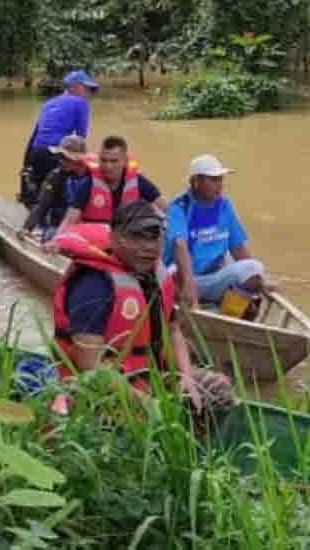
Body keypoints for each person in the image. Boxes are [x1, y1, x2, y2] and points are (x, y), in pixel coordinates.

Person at [51, 200, 233, 415]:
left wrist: (185, 376)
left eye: (154, 238)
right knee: (141, 417)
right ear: (115, 239)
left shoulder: (156, 275)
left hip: (149, 375)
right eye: (136, 237)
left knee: (218, 390)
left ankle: (193, 443)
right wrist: (147, 403)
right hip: (103, 386)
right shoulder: (94, 284)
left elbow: (173, 330)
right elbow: (90, 366)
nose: (148, 247)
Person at [162, 154, 268, 310]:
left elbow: (238, 248)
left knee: (255, 267)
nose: (220, 185)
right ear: (195, 182)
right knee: (175, 274)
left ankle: (228, 311)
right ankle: (203, 306)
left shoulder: (224, 205)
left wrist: (257, 279)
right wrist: (189, 285)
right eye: (213, 180)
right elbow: (180, 245)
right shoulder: (179, 207)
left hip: (214, 276)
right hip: (185, 278)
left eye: (221, 179)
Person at [47, 135, 167, 243]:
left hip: (127, 243)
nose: (108, 166)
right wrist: (56, 241)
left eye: (114, 161)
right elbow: (70, 220)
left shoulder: (139, 181)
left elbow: (167, 208)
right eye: (104, 160)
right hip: (95, 245)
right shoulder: (87, 184)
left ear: (125, 161)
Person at [21, 70, 97, 200]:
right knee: (61, 196)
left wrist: (26, 163)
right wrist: (85, 165)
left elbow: (34, 136)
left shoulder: (48, 104)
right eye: (87, 89)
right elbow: (80, 138)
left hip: (36, 153)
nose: (89, 93)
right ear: (74, 87)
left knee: (40, 196)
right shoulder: (81, 103)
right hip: (56, 155)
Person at [18, 134, 91, 241]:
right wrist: (27, 228)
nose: (61, 161)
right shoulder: (56, 176)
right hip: (58, 225)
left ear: (79, 160)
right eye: (60, 157)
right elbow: (42, 205)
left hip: (84, 227)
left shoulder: (92, 178)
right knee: (50, 236)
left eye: (66, 158)